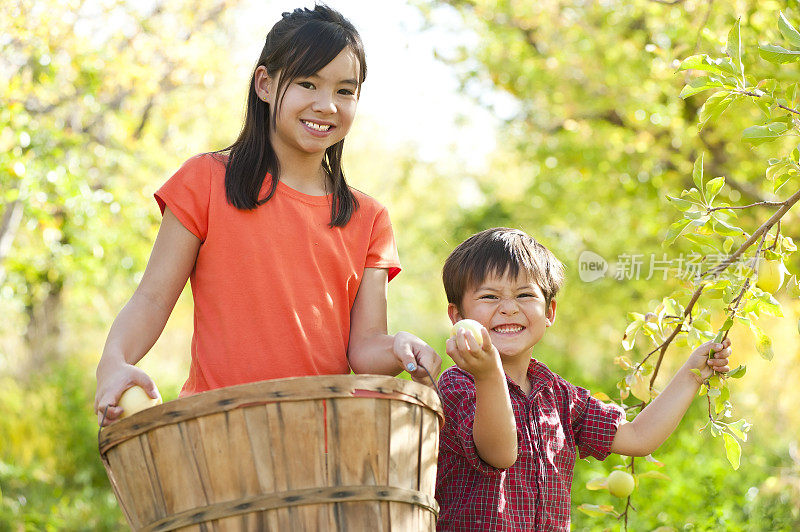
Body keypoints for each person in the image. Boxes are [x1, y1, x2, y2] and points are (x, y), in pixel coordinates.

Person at [94, 5, 440, 426]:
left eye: (345, 91)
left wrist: (398, 348)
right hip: (219, 432)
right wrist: (113, 362)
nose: (327, 105)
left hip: (324, 443)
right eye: (308, 84)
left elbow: (363, 349)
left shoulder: (369, 218)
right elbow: (151, 299)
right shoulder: (205, 181)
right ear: (265, 83)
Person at [435, 227, 731, 530]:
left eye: (525, 294)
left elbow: (639, 437)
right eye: (489, 296)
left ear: (550, 311)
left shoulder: (560, 397)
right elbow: (499, 454)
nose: (509, 307)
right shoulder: (458, 384)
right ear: (458, 316)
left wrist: (692, 373)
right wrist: (489, 375)